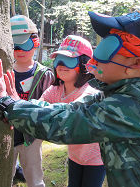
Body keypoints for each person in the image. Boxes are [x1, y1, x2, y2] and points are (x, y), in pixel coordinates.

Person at [0, 9, 140, 187]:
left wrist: (3, 102)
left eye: (109, 46)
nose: (97, 54)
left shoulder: (137, 106)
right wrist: (17, 105)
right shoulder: (125, 93)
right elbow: (70, 110)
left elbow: (64, 124)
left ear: (136, 64)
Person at [40, 35, 105, 187]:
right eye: (58, 60)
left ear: (84, 64)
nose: (60, 65)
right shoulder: (56, 90)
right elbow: (38, 107)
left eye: (68, 60)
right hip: (75, 155)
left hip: (96, 158)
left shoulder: (89, 93)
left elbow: (71, 116)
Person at [10, 15, 55, 187]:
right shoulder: (6, 70)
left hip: (32, 136)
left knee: (34, 176)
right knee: (5, 175)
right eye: (14, 46)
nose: (19, 50)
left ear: (35, 42)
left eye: (24, 44)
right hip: (8, 133)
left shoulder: (44, 74)